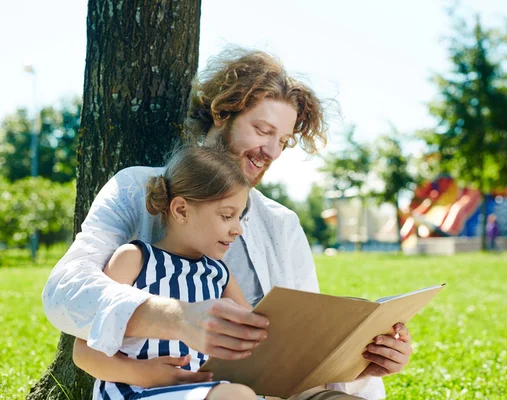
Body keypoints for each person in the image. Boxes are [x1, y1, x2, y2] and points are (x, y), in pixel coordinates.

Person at [43, 48, 412, 400]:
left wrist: (363, 358)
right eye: (263, 130)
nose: (272, 152)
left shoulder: (282, 224)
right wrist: (177, 319)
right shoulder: (136, 188)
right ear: (222, 113)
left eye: (282, 141)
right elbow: (64, 293)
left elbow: (300, 344)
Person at [73, 146, 257, 399]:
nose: (238, 229)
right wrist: (142, 374)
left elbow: (256, 338)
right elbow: (83, 352)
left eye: (240, 217)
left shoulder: (219, 275)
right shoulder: (135, 260)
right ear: (181, 210)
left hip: (201, 391)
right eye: (227, 216)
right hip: (134, 391)